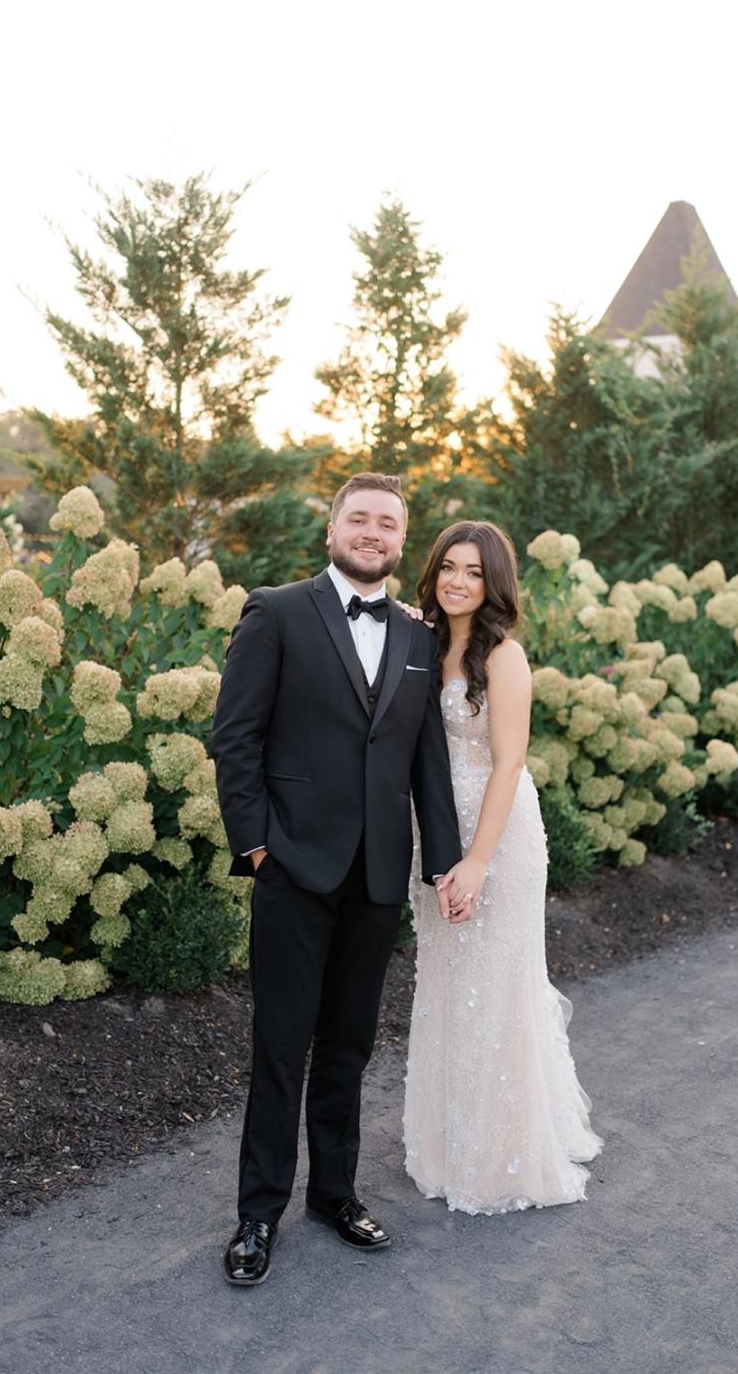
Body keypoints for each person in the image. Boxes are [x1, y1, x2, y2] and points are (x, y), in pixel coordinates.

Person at [211, 473, 463, 1286]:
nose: (372, 532)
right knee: (281, 1048)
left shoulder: (421, 639)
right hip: (292, 867)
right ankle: (258, 1214)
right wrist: (255, 847)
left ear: (400, 541)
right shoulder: (276, 612)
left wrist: (443, 861)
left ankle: (335, 1194)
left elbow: (426, 760)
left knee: (349, 1047)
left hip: (378, 876)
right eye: (358, 518)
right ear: (332, 530)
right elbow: (235, 738)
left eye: (387, 523)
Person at [403, 520, 603, 1214]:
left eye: (474, 572)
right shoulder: (420, 644)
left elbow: (509, 761)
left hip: (498, 837)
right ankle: (448, 1137)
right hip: (431, 830)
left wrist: (478, 861)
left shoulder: (504, 658)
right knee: (448, 980)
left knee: (496, 984)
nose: (459, 580)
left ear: (495, 583)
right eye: (449, 567)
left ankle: (506, 1152)